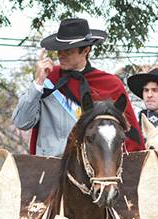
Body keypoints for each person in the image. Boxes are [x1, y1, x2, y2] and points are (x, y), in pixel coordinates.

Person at [12, 18, 144, 156]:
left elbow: (130, 137)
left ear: (86, 50)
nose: (61, 55)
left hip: (93, 171)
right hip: (49, 166)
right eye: (59, 50)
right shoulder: (48, 79)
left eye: (67, 51)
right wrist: (38, 83)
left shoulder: (110, 84)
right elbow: (22, 122)